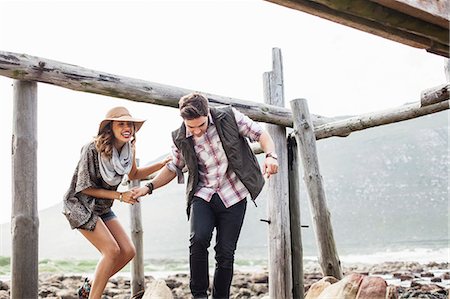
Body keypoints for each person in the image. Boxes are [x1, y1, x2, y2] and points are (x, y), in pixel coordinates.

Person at [131, 93, 279, 299]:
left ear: (207, 112)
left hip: (234, 193)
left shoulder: (229, 117)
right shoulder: (180, 137)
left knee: (225, 253)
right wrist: (149, 187)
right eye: (191, 127)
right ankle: (199, 296)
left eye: (201, 125)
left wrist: (271, 155)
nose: (197, 131)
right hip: (203, 194)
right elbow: (174, 167)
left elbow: (260, 134)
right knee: (198, 240)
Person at [63, 106, 171, 299]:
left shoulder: (128, 149)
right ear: (110, 128)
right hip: (80, 205)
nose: (126, 127)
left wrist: (162, 164)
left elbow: (135, 174)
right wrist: (120, 196)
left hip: (102, 207)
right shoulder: (92, 149)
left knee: (128, 251)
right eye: (121, 124)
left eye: (129, 124)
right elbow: (84, 188)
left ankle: (89, 285)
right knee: (111, 251)